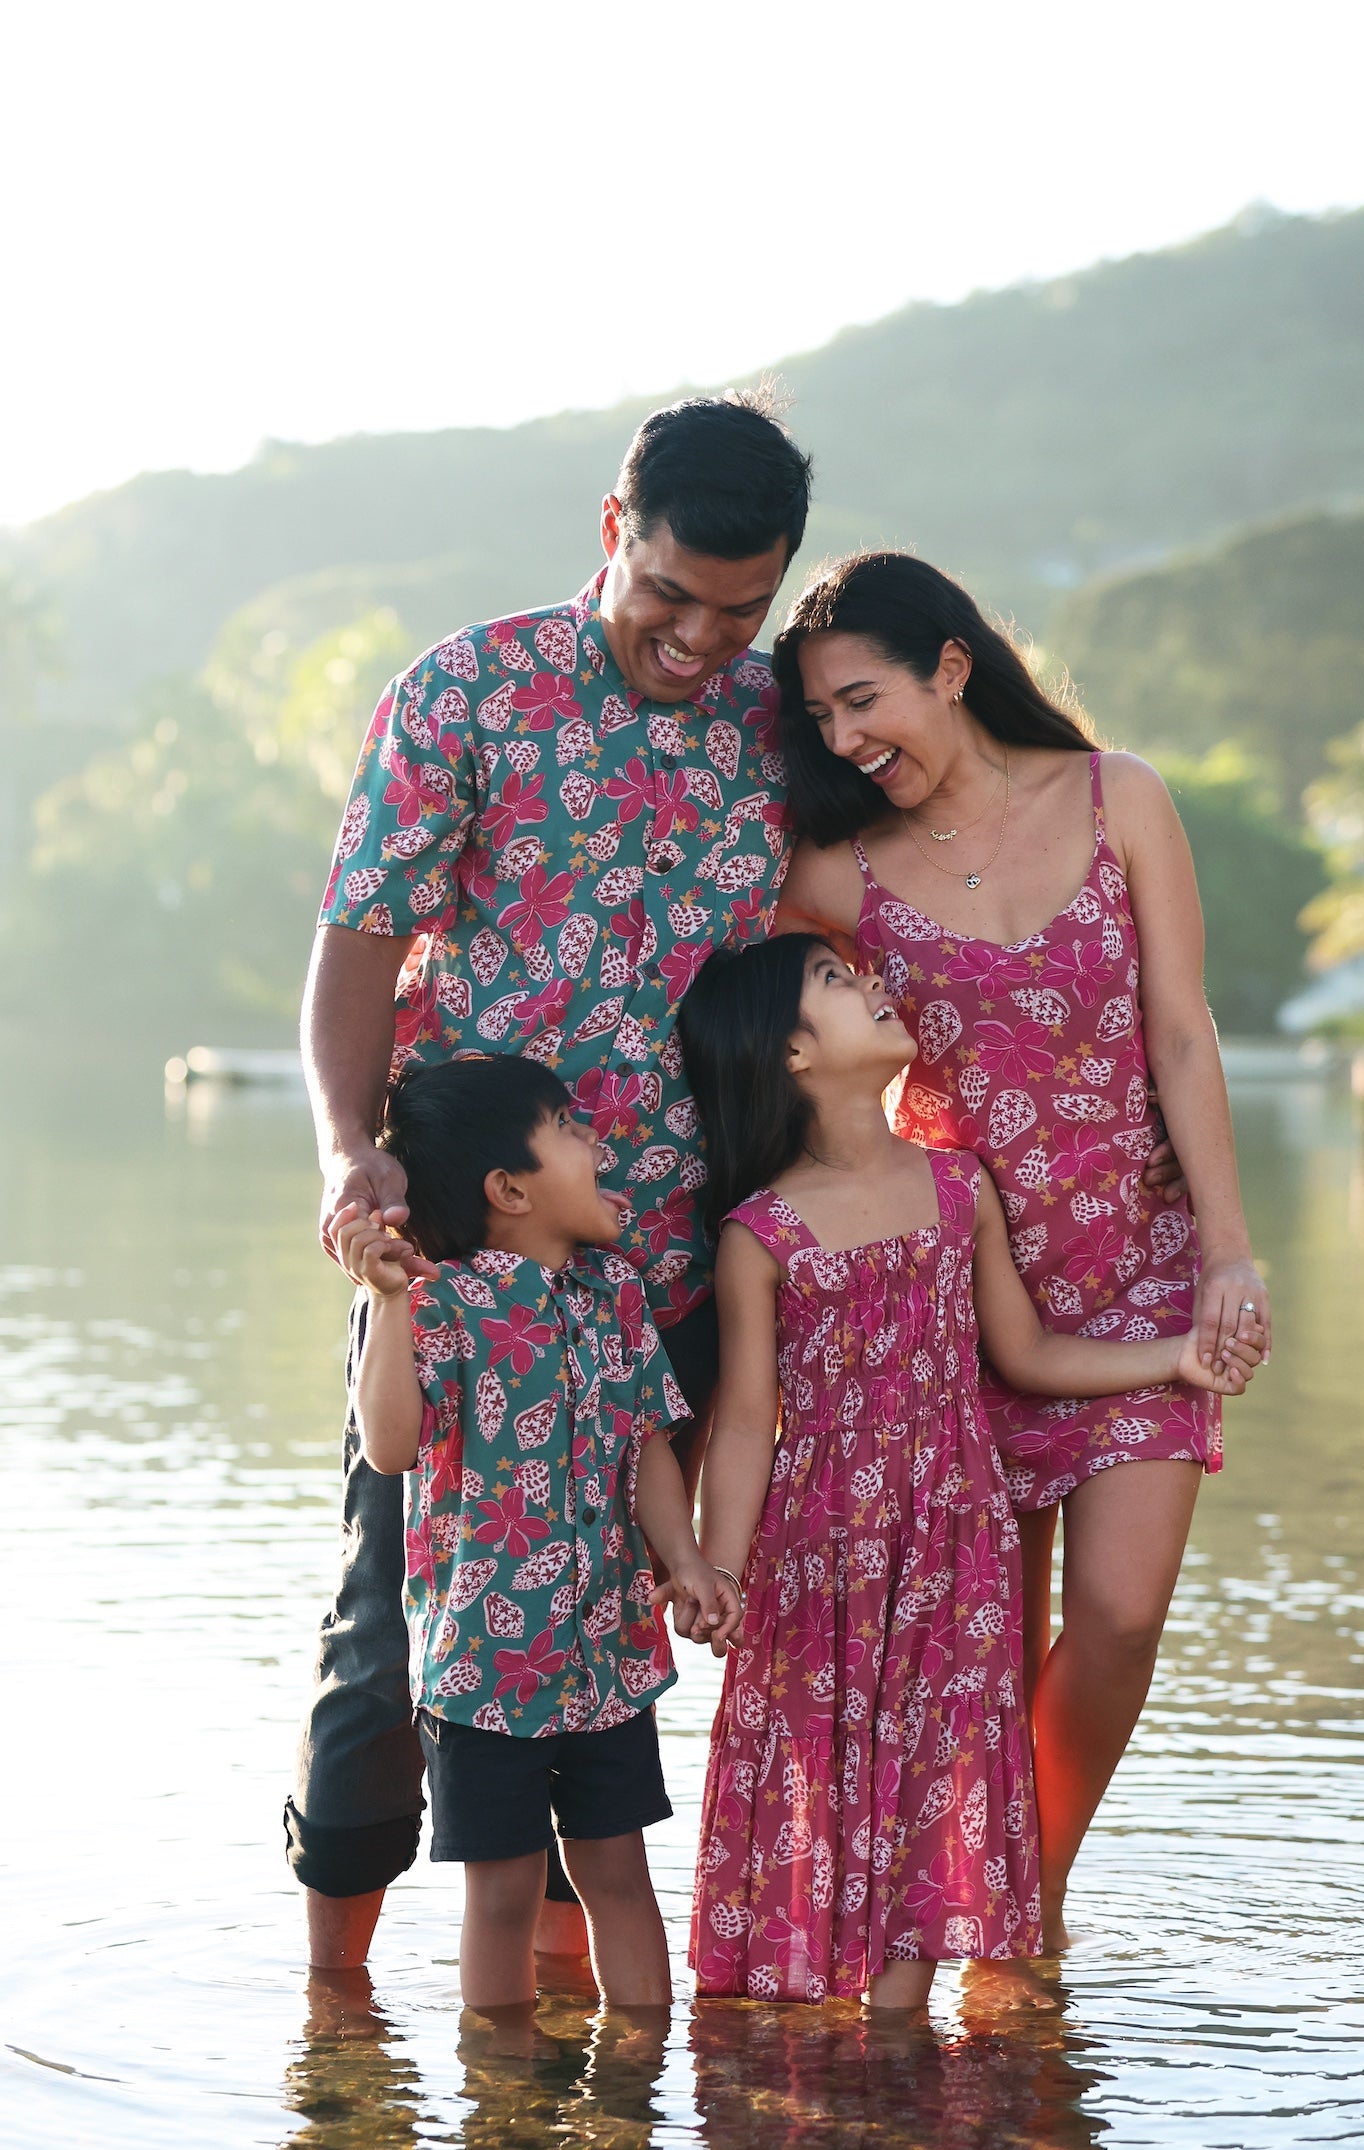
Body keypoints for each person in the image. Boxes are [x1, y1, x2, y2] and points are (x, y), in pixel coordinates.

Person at [287, 392, 811, 1971]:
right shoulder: (467, 693)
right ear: (612, 532)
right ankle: (337, 2018)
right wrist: (347, 1151)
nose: (698, 639)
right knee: (395, 1630)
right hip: (462, 1261)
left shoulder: (777, 719)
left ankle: (573, 2012)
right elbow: (358, 952)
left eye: (741, 610)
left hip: (677, 1267)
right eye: (669, 595)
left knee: (615, 1634)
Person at [772, 552, 1272, 1950]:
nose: (844, 739)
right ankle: (980, 1920)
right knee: (982, 1655)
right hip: (955, 1299)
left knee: (1112, 1622)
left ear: (947, 664)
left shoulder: (1119, 797)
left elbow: (1179, 1029)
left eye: (859, 698)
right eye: (816, 721)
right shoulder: (834, 871)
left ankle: (1018, 1897)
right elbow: (738, 1011)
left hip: (1143, 1273)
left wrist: (1228, 1255)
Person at [672, 935, 1261, 2007]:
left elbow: (1026, 1354)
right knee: (816, 1768)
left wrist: (1171, 1358)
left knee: (934, 1770)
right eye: (836, 984)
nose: (872, 984)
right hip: (818, 1557)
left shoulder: (957, 1186)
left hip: (954, 1543)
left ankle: (899, 2043)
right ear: (792, 1054)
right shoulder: (758, 1236)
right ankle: (789, 2029)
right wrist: (720, 1564)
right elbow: (749, 1420)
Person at [332, 1053, 740, 2038]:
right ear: (509, 1189)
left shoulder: (617, 1293)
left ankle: (642, 2081)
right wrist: (387, 1304)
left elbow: (648, 1441)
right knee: (505, 1888)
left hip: (607, 1652)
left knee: (618, 1868)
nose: (597, 1142)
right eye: (570, 1128)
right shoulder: (438, 1302)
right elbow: (388, 1447)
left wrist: (683, 1560)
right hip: (483, 1666)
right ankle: (500, 2100)